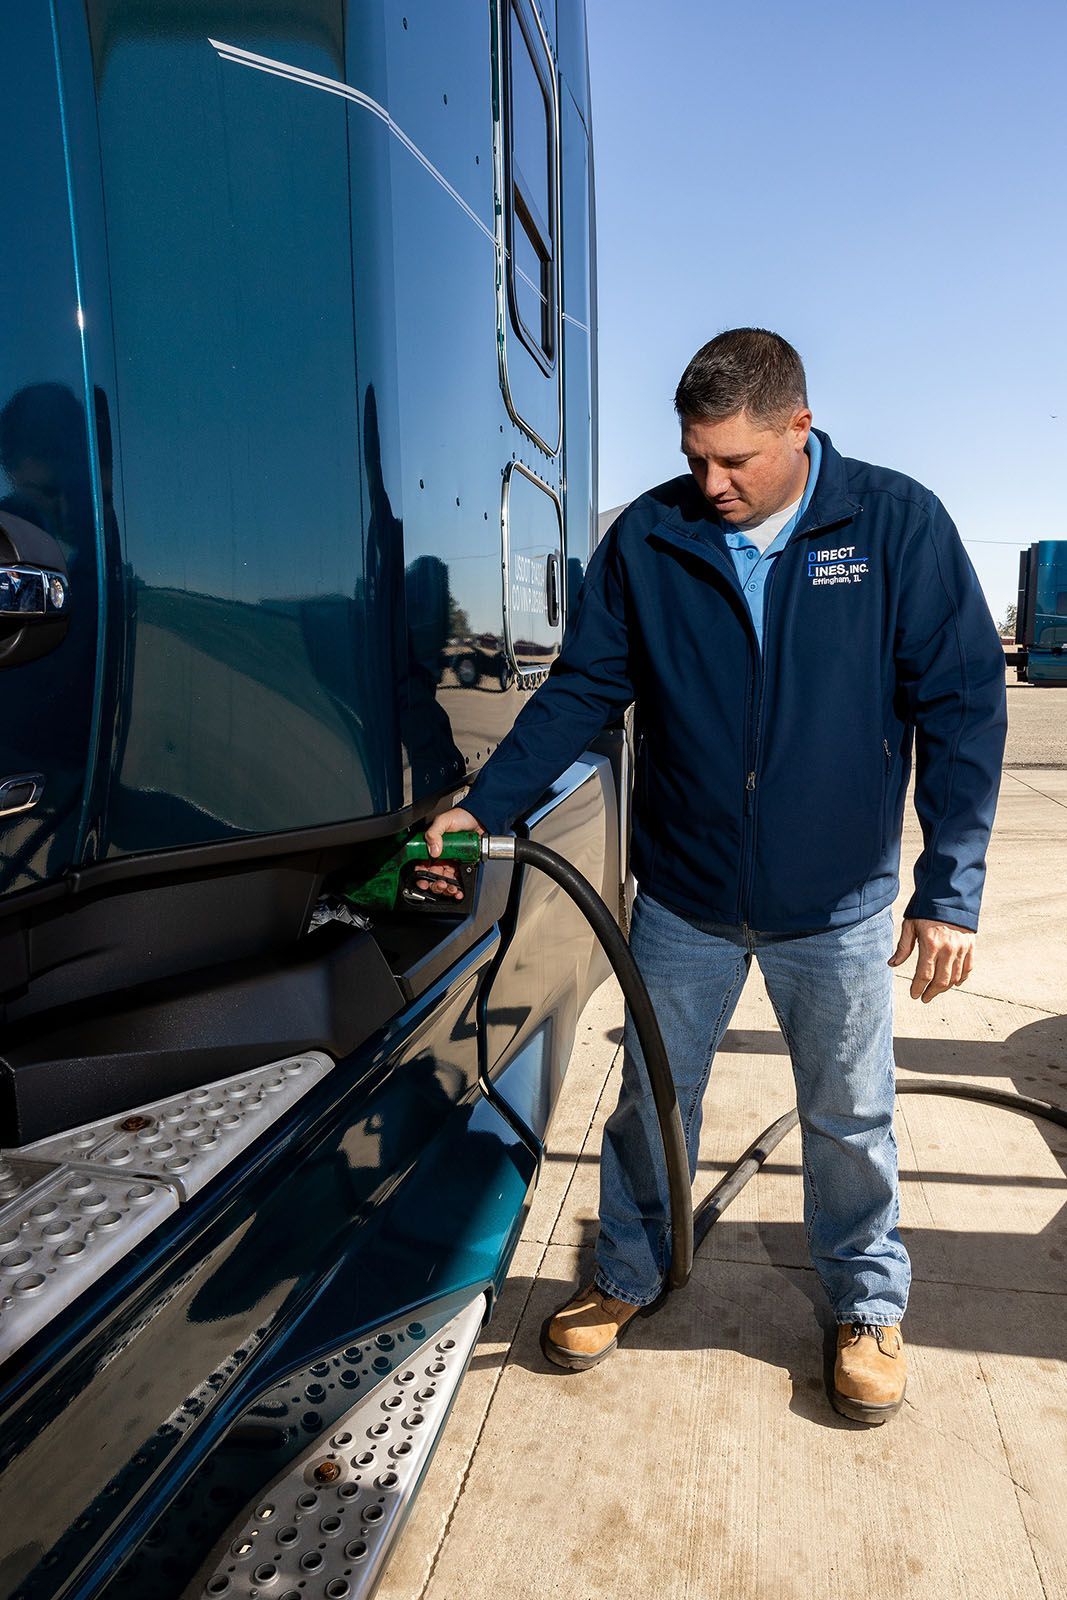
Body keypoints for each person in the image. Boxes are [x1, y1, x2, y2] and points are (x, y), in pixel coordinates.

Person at [417, 328, 1007, 1425]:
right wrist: (480, 807)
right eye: (694, 458)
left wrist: (948, 889)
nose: (710, 483)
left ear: (799, 426)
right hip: (683, 899)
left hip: (833, 907)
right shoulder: (649, 538)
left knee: (846, 1116)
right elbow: (578, 695)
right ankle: (629, 1272)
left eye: (733, 461)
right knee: (651, 1101)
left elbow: (964, 709)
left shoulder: (892, 525)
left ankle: (865, 1302)